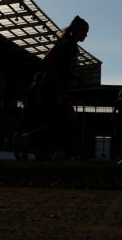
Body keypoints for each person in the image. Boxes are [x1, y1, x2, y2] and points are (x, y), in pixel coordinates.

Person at [15, 16, 89, 161]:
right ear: (78, 30)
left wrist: (74, 77)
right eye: (85, 31)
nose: (87, 34)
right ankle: (58, 156)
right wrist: (56, 81)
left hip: (57, 88)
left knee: (59, 126)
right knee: (72, 121)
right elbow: (47, 59)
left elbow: (62, 68)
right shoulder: (65, 42)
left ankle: (24, 139)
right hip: (53, 88)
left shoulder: (75, 48)